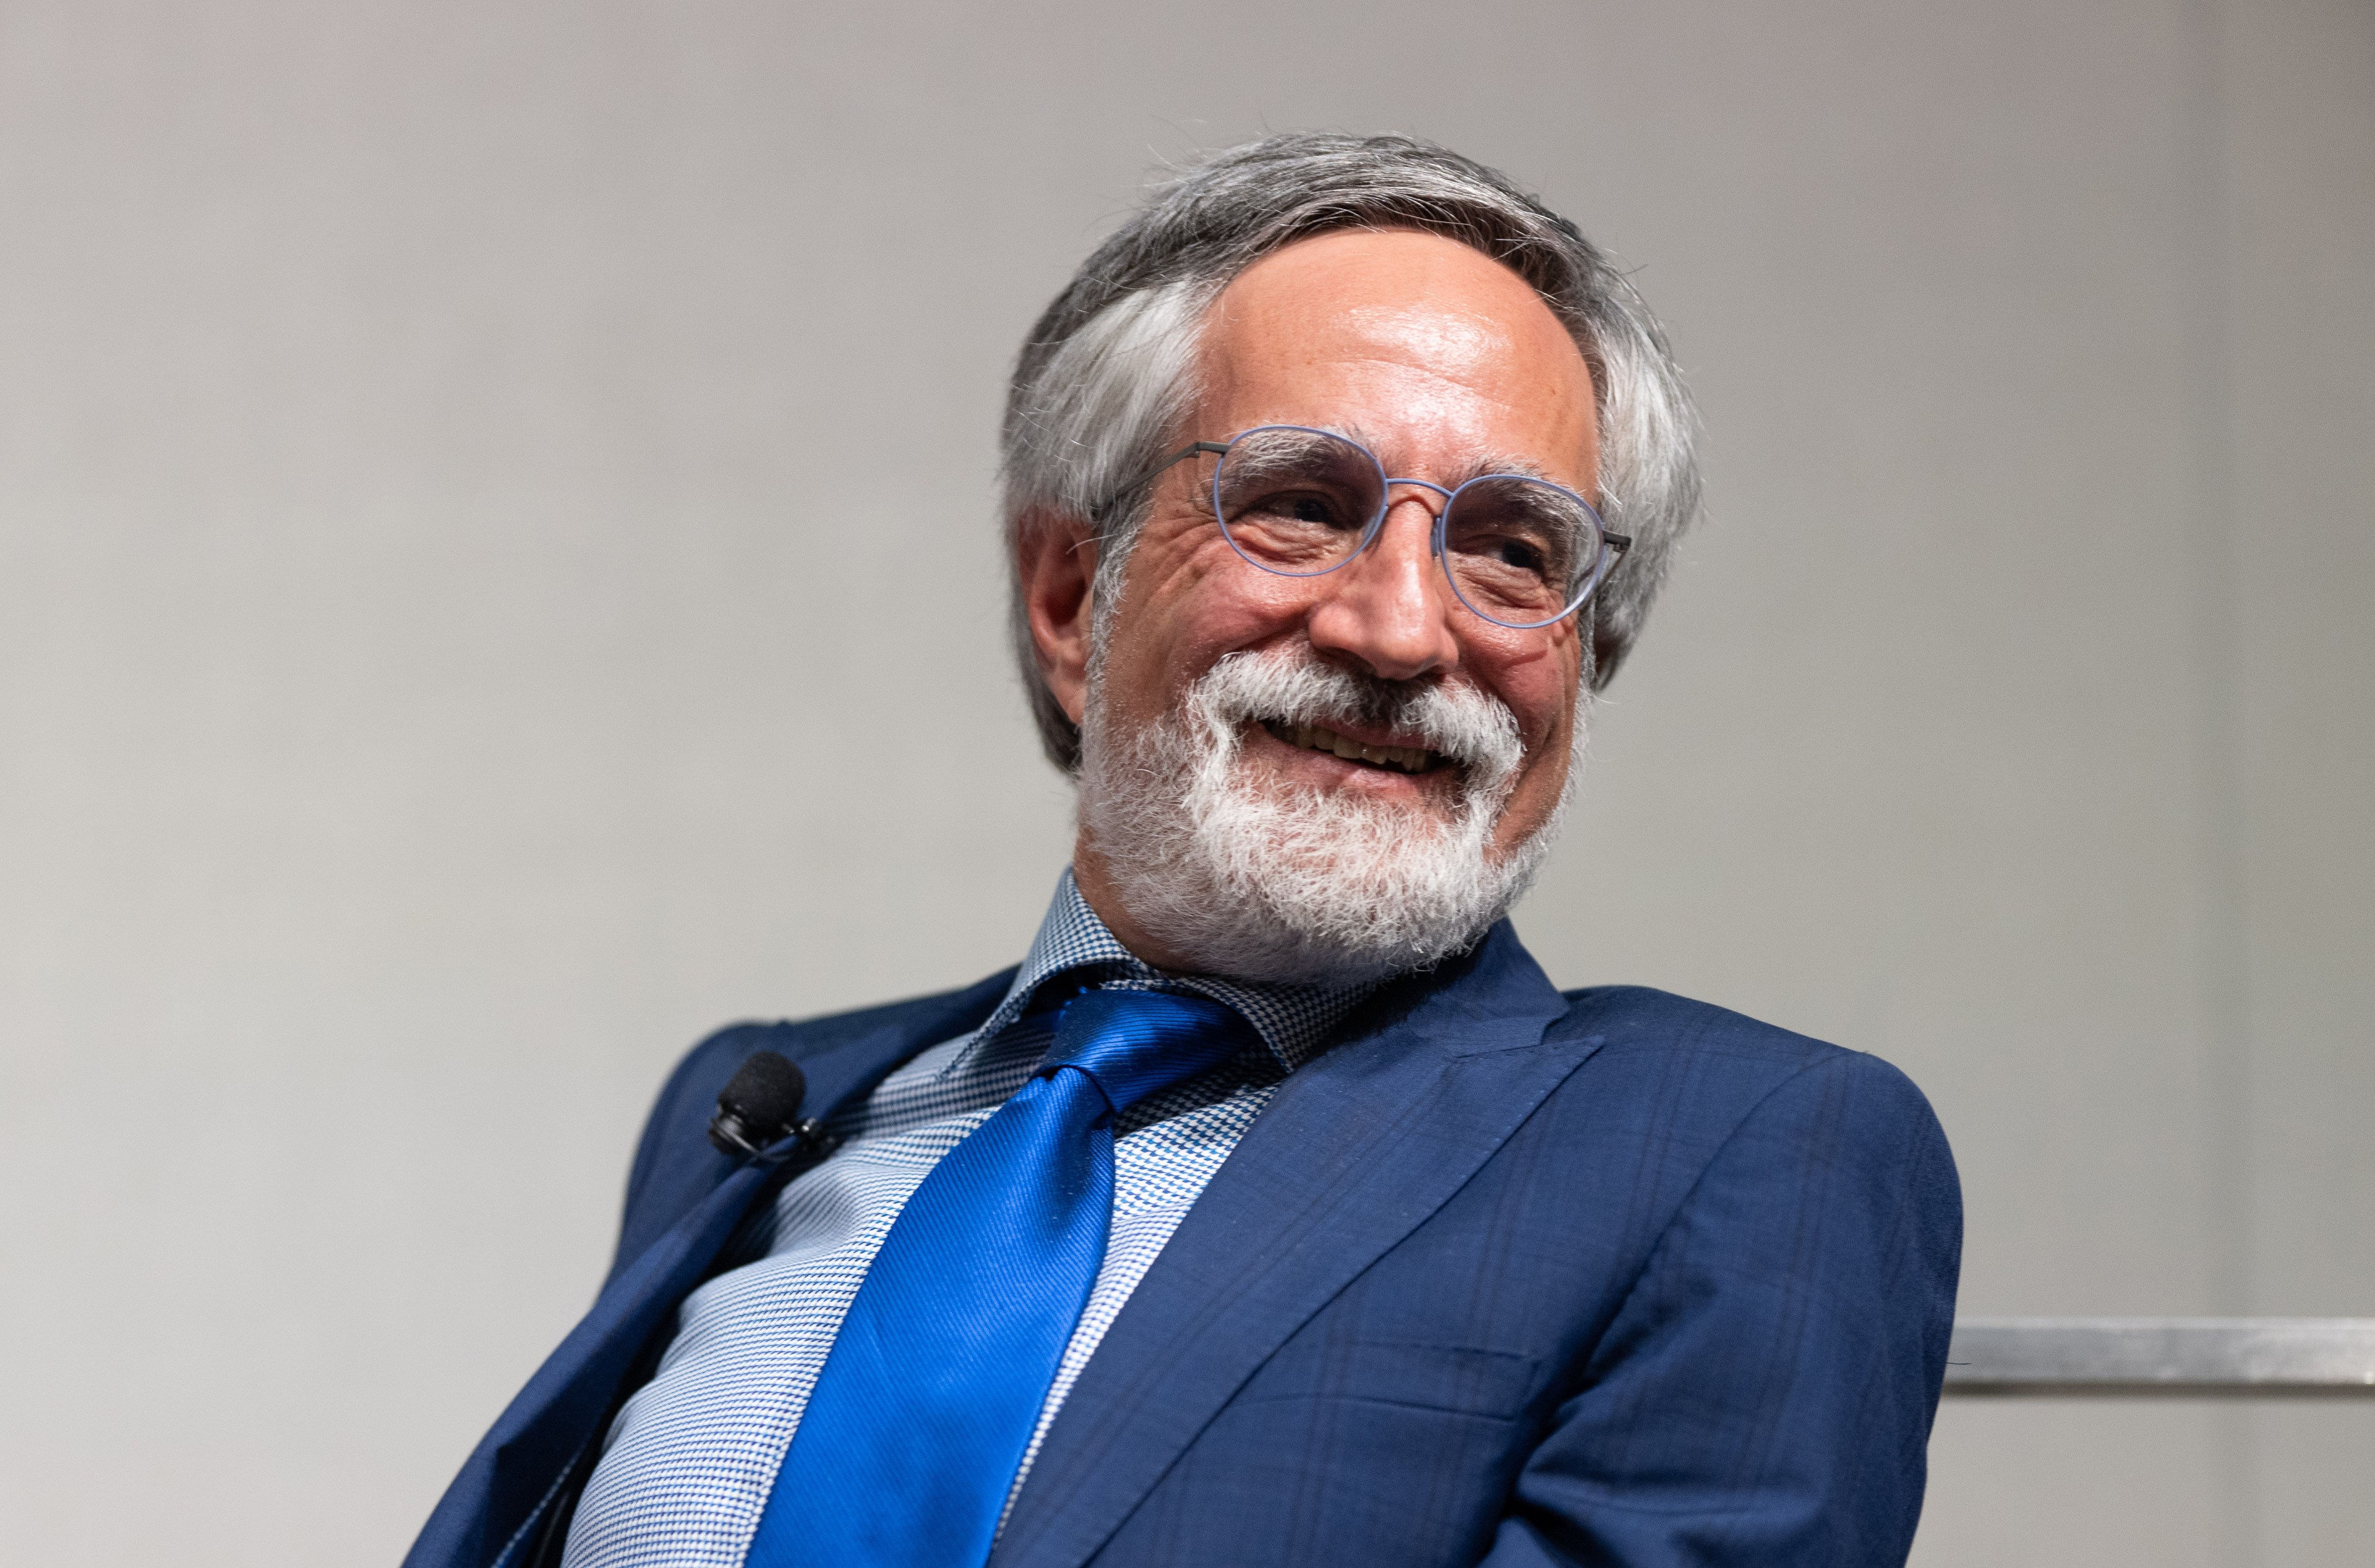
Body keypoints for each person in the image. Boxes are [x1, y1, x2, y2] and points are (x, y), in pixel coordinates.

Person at [404, 132, 1961, 1568]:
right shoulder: (760, 1105)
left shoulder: (1746, 1148)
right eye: (1298, 502)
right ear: (1075, 596)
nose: (1405, 628)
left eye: (1511, 548)